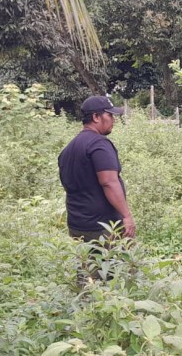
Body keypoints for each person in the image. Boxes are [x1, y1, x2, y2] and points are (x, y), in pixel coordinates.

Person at [58, 96, 136, 278]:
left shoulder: (69, 149)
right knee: (115, 277)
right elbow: (109, 182)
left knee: (87, 277)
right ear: (96, 117)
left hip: (77, 225)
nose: (114, 120)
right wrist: (127, 216)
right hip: (102, 228)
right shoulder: (99, 144)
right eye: (110, 115)